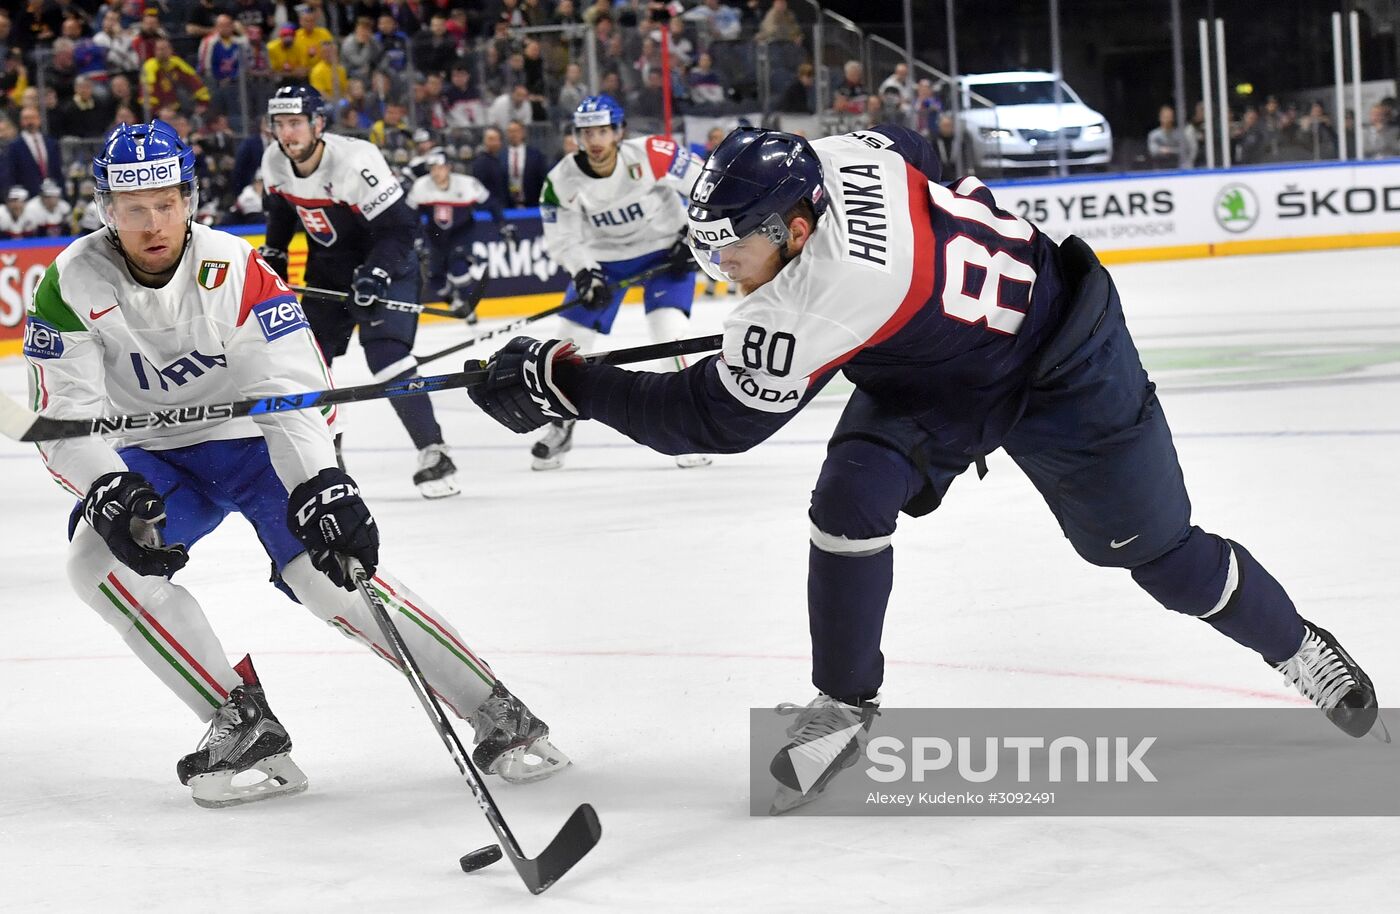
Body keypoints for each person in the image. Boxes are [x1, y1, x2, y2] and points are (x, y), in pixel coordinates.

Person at [465, 124, 1381, 813]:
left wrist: (568, 381)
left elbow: (712, 419)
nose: (720, 267)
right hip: (937, 369)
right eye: (709, 244)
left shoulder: (823, 295)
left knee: (1159, 556)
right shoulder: (833, 158)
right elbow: (911, 144)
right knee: (849, 497)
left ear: (796, 226)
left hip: (1066, 359)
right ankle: (844, 708)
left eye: (734, 246)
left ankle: (1297, 645)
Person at [21, 119, 567, 809]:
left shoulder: (237, 268)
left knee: (328, 578)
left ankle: (493, 705)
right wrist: (107, 486)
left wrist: (320, 483)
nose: (153, 223)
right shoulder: (69, 282)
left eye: (165, 203)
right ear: (106, 209)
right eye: (133, 208)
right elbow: (62, 417)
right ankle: (238, 719)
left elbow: (291, 389)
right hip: (155, 459)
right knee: (94, 565)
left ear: (190, 200)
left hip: (257, 445)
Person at [259, 85, 460, 499]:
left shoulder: (355, 160)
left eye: (296, 123)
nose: (287, 133)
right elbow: (280, 215)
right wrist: (274, 258)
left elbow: (400, 229)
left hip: (386, 264)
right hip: (328, 271)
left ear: (318, 123)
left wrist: (375, 274)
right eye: (280, 124)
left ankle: (434, 451)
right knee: (308, 364)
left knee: (386, 357)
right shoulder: (274, 159)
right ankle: (326, 460)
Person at [529, 94, 711, 471]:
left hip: (664, 253)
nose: (594, 140)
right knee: (567, 344)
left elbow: (708, 186)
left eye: (602, 131)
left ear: (618, 131)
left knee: (669, 337)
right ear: (577, 136)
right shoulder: (560, 180)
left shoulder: (654, 153)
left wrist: (695, 237)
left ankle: (687, 428)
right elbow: (562, 237)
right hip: (605, 262)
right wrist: (584, 271)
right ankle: (560, 426)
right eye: (586, 133)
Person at [408, 150, 517, 323]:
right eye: (432, 169)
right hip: (435, 236)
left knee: (458, 266)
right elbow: (409, 214)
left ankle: (467, 305)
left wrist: (504, 225)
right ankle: (453, 301)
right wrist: (416, 238)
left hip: (462, 232)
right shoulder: (421, 186)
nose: (436, 173)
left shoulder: (468, 184)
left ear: (448, 167)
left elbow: (491, 204)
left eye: (439, 168)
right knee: (435, 279)